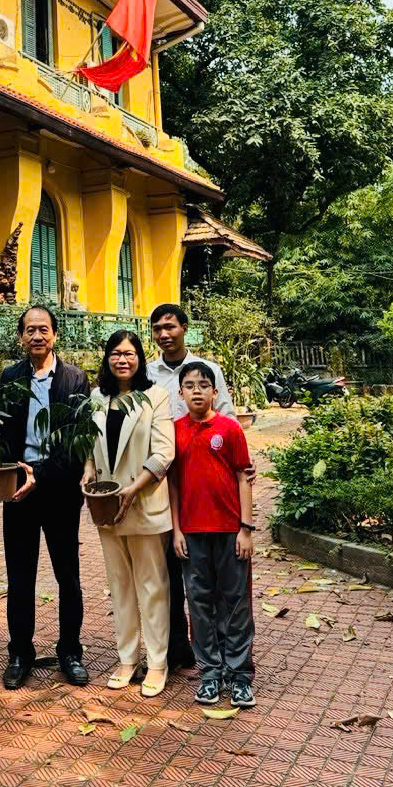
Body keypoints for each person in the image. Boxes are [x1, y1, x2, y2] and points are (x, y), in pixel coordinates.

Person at [0, 304, 91, 690]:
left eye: (44, 329)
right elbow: (1, 435)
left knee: (67, 575)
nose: (37, 336)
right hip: (18, 490)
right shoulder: (9, 378)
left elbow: (77, 444)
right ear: (21, 336)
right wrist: (7, 471)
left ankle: (70, 651)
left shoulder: (74, 380)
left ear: (54, 335)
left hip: (59, 491)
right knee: (20, 576)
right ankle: (20, 652)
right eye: (30, 330)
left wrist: (43, 475)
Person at [145, 302, 244, 669]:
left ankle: (222, 649)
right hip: (160, 483)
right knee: (169, 569)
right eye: (157, 328)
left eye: (170, 326)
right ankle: (177, 647)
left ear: (185, 328)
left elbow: (229, 420)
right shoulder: (149, 374)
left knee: (211, 574)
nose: (163, 334)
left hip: (203, 484)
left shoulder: (207, 371)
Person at [83, 330, 175, 697]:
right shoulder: (97, 398)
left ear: (140, 357)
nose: (122, 360)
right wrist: (88, 472)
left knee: (152, 587)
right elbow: (88, 446)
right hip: (106, 505)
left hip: (144, 503)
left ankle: (157, 663)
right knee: (119, 586)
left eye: (130, 353)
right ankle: (126, 658)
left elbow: (165, 451)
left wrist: (133, 488)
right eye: (116, 354)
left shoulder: (156, 397)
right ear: (107, 359)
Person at [170, 360, 256, 709]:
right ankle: (209, 674)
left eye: (203, 385)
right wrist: (176, 530)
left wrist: (246, 529)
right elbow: (173, 485)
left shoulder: (230, 429)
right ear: (180, 393)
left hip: (229, 531)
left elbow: (243, 477)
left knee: (235, 604)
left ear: (215, 392)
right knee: (200, 604)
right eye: (189, 385)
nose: (197, 391)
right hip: (191, 533)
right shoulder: (175, 431)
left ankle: (239, 676)